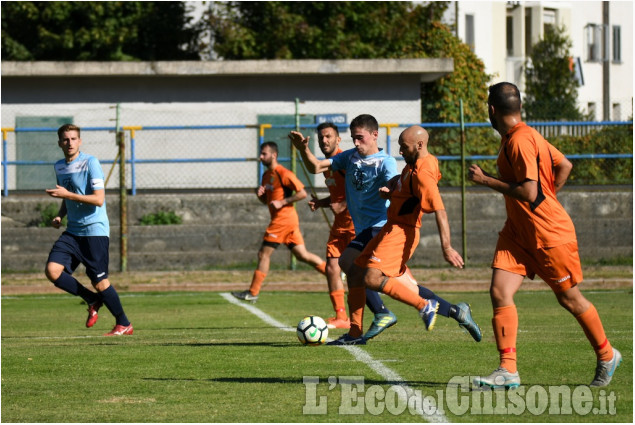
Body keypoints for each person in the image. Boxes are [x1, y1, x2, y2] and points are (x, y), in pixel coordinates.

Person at [468, 82, 621, 388]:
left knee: (569, 299)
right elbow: (565, 164)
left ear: (492, 110)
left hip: (548, 234)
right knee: (500, 291)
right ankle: (507, 370)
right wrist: (547, 197)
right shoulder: (525, 134)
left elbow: (529, 190)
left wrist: (486, 180)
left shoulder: (520, 141)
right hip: (519, 233)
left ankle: (607, 354)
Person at [291, 116, 481, 344]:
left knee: (357, 269)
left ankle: (376, 317)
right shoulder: (350, 157)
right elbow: (315, 166)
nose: (357, 143)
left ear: (374, 135)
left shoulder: (387, 162)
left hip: (384, 227)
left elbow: (416, 193)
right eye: (354, 139)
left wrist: (447, 246)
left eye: (360, 138)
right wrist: (303, 149)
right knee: (397, 282)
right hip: (376, 230)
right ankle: (455, 311)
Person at [44, 124, 133, 336]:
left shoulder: (90, 162)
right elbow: (67, 196)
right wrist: (60, 215)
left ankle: (124, 323)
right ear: (59, 143)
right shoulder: (59, 166)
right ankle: (91, 299)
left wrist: (67, 195)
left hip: (94, 231)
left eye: (74, 139)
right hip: (73, 232)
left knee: (101, 282)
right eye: (65, 140)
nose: (70, 143)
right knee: (52, 270)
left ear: (80, 141)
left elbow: (98, 199)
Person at [231, 141, 327, 302]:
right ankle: (334, 273)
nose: (261, 157)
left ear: (274, 155)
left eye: (264, 154)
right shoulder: (266, 176)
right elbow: (266, 201)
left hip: (283, 219)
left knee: (263, 254)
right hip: (286, 221)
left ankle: (253, 292)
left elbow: (302, 193)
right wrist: (259, 194)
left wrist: (283, 202)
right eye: (260, 154)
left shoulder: (283, 173)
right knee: (303, 256)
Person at [308, 122, 355, 329]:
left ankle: (365, 315)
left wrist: (343, 204)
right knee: (331, 268)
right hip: (339, 225)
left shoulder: (345, 161)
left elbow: (360, 190)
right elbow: (338, 196)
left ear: (338, 139)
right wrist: (322, 203)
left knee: (359, 272)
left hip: (355, 223)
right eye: (321, 138)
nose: (324, 141)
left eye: (328, 137)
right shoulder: (329, 165)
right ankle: (341, 317)